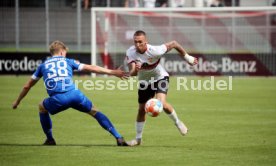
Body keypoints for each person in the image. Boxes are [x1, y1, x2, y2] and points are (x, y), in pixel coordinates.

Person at [12, 40, 129, 146]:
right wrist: (112, 72)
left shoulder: (43, 66)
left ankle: (50, 139)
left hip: (58, 99)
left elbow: (27, 86)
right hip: (75, 95)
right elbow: (91, 67)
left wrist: (17, 101)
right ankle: (118, 137)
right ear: (62, 52)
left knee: (42, 107)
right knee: (95, 111)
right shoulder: (68, 61)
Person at [125, 30, 198, 146]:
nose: (137, 44)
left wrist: (188, 58)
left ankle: (178, 122)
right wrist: (136, 69)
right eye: (135, 42)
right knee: (141, 110)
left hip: (160, 77)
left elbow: (174, 43)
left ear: (146, 41)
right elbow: (133, 73)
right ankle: (138, 139)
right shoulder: (130, 52)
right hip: (144, 82)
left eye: (140, 42)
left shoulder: (155, 50)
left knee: (161, 103)